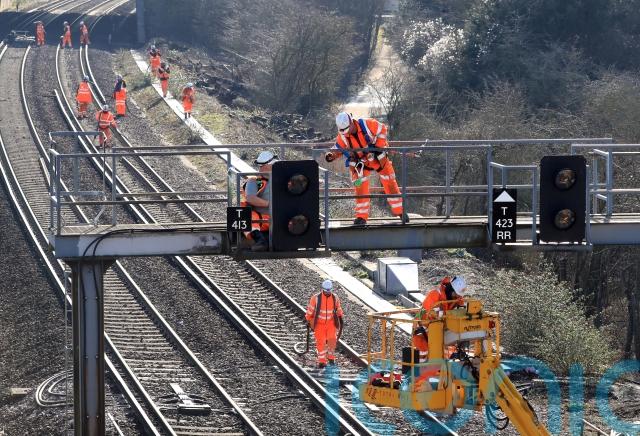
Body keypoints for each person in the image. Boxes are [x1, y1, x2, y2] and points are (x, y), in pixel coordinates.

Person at [325, 112, 407, 226]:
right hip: (360, 163)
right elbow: (338, 147)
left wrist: (378, 148)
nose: (346, 132)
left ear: (351, 123)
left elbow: (382, 129)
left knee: (389, 181)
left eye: (347, 130)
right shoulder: (343, 135)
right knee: (359, 186)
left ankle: (401, 212)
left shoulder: (367, 124)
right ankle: (361, 217)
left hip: (378, 158)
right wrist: (331, 155)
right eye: (343, 131)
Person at [411, 276, 467, 363]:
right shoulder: (435, 295)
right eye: (456, 294)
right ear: (450, 289)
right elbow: (433, 314)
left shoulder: (456, 299)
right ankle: (422, 368)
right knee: (424, 352)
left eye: (459, 295)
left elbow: (462, 310)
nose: (457, 297)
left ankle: (443, 367)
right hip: (423, 328)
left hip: (439, 328)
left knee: (448, 350)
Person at [240, 151, 277, 252]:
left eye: (263, 165)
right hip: (261, 219)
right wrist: (271, 204)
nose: (261, 168)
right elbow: (250, 198)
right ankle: (260, 240)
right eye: (260, 166)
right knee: (245, 215)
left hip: (280, 218)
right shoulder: (255, 181)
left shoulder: (284, 179)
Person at [305, 279, 344, 368]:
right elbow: (310, 310)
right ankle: (322, 361)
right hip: (319, 324)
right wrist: (308, 320)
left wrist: (341, 318)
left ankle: (331, 358)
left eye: (329, 290)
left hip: (331, 323)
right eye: (326, 291)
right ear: (323, 289)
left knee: (332, 341)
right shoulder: (316, 298)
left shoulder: (335, 298)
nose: (327, 292)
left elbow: (338, 309)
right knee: (320, 342)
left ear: (331, 289)